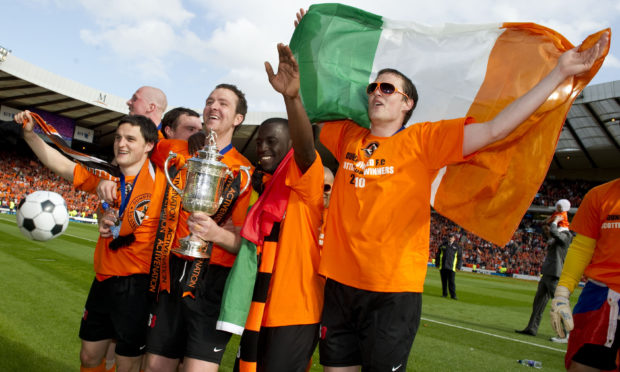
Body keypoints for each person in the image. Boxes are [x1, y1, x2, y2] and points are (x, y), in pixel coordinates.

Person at [302, 18, 608, 370]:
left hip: (392, 290)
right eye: (372, 87)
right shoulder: (346, 137)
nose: (375, 93)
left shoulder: (423, 140)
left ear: (407, 104)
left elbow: (495, 128)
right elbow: (309, 103)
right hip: (339, 284)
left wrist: (557, 74)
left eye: (387, 88)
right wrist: (313, 43)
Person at [15, 110, 163, 372]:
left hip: (137, 285)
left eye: (130, 139)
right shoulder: (107, 177)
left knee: (128, 363)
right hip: (103, 280)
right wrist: (30, 135)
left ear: (149, 145)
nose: (121, 144)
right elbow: (61, 165)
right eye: (118, 138)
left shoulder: (163, 184)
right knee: (89, 355)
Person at [144, 84, 253, 372]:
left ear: (238, 118)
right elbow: (138, 142)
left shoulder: (244, 171)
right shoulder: (177, 151)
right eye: (209, 101)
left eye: (224, 103)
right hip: (171, 270)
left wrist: (216, 234)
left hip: (212, 280)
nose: (214, 106)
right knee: (155, 366)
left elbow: (242, 242)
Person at [230, 42, 324, 372]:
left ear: (289, 146)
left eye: (272, 141)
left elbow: (305, 149)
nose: (262, 148)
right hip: (258, 308)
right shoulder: (263, 190)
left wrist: (292, 97)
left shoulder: (304, 179)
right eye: (258, 143)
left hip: (294, 312)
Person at [550, 178, 620, 371]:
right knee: (582, 366)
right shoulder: (599, 195)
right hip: (599, 301)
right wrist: (562, 294)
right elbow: (582, 248)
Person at [516, 210, 572, 338]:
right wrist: (549, 220)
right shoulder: (556, 237)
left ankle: (567, 333)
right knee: (538, 304)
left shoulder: (566, 235)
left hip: (555, 275)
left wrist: (556, 221)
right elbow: (546, 229)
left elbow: (553, 232)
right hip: (547, 273)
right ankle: (531, 328)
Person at [436, 234, 462, 300]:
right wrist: (437, 263)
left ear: (454, 238)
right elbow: (438, 255)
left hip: (452, 267)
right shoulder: (443, 245)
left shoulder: (457, 247)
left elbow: (459, 257)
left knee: (452, 282)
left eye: (452, 237)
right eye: (449, 237)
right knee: (444, 281)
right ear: (448, 238)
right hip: (443, 266)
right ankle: (444, 294)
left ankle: (453, 295)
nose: (450, 238)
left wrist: (458, 266)